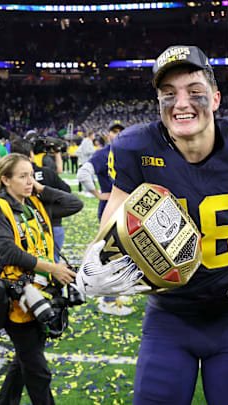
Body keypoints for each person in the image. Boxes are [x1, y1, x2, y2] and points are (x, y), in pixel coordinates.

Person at [73, 45, 228, 405]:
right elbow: (109, 230)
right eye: (168, 94)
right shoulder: (135, 146)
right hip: (168, 318)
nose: (181, 103)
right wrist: (90, 267)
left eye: (194, 92)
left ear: (216, 99)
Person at [0, 153, 79, 404]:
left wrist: (42, 188)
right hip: (17, 298)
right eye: (22, 176)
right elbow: (7, 250)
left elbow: (74, 204)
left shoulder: (35, 202)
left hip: (43, 294)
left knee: (25, 359)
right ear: (5, 179)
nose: (29, 181)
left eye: (31, 175)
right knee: (38, 371)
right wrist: (52, 267)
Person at [76, 122, 135, 316]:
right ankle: (108, 299)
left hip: (130, 211)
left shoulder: (129, 151)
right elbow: (83, 173)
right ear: (108, 134)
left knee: (127, 253)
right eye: (114, 131)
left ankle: (118, 291)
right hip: (111, 209)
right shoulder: (104, 154)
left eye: (120, 131)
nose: (117, 135)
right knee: (110, 253)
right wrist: (98, 194)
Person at [9, 138, 77, 264]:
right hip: (51, 225)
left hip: (21, 227)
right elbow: (68, 194)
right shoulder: (47, 173)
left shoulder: (9, 178)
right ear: (31, 155)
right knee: (53, 267)